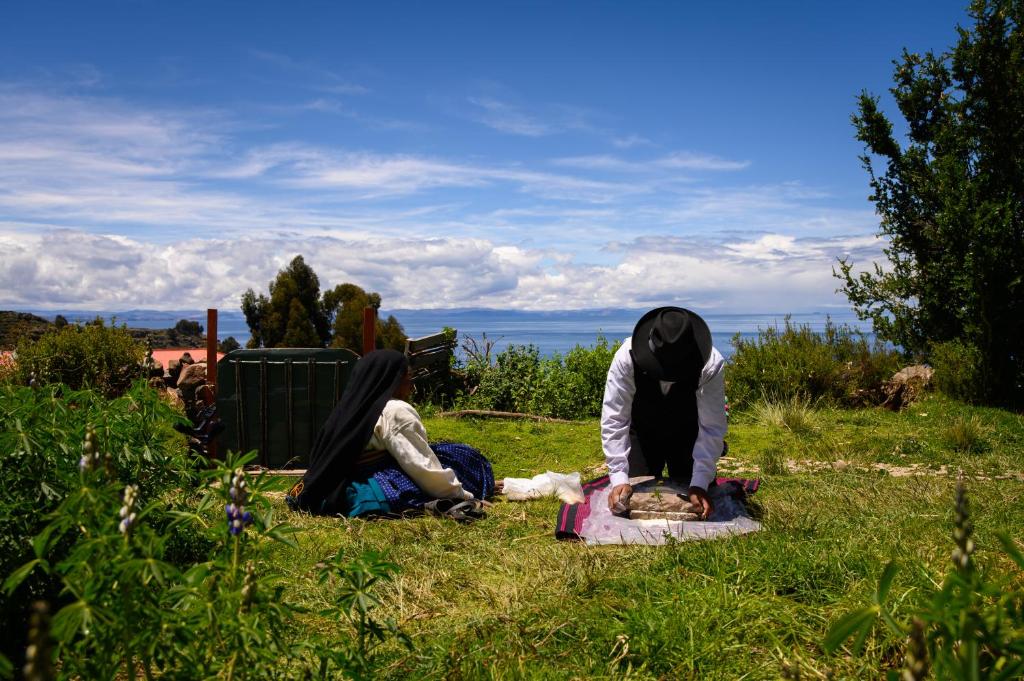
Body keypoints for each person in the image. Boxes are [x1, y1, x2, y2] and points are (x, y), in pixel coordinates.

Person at [289, 349, 493, 517]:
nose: (411, 387)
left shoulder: (350, 409)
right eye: (408, 378)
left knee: (447, 450)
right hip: (365, 484)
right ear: (392, 381)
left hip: (332, 485)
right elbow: (422, 468)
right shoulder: (395, 410)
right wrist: (464, 496)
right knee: (464, 457)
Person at [601, 307, 727, 519]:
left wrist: (700, 481)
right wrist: (619, 477)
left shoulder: (711, 364)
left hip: (688, 431)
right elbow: (615, 418)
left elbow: (712, 425)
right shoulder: (625, 357)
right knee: (629, 500)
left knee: (697, 499)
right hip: (642, 430)